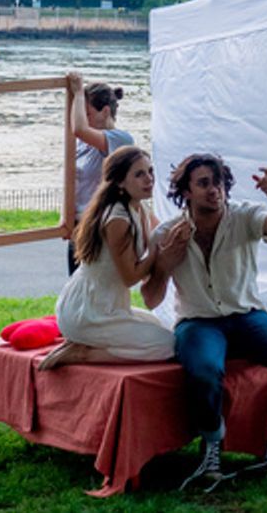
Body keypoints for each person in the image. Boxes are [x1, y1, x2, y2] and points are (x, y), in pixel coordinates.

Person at [144, 154, 267, 486]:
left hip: (247, 315)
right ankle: (211, 447)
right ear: (186, 191)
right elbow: (150, 298)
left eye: (218, 182)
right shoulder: (167, 233)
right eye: (204, 183)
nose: (214, 190)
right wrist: (165, 263)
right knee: (205, 369)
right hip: (198, 321)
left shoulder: (243, 216)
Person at [40, 145, 174, 368]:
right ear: (120, 182)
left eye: (150, 171)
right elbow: (130, 277)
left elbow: (164, 234)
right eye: (139, 174)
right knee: (168, 345)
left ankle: (85, 343)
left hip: (112, 307)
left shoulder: (139, 208)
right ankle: (82, 353)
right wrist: (154, 251)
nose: (149, 179)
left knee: (165, 328)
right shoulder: (117, 218)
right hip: (88, 312)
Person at [66, 72, 134, 277]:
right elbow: (72, 182)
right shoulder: (82, 144)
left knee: (96, 288)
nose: (83, 119)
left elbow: (78, 129)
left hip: (101, 227)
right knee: (76, 288)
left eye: (87, 114)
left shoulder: (120, 139)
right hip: (79, 228)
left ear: (105, 112)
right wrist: (66, 220)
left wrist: (78, 93)